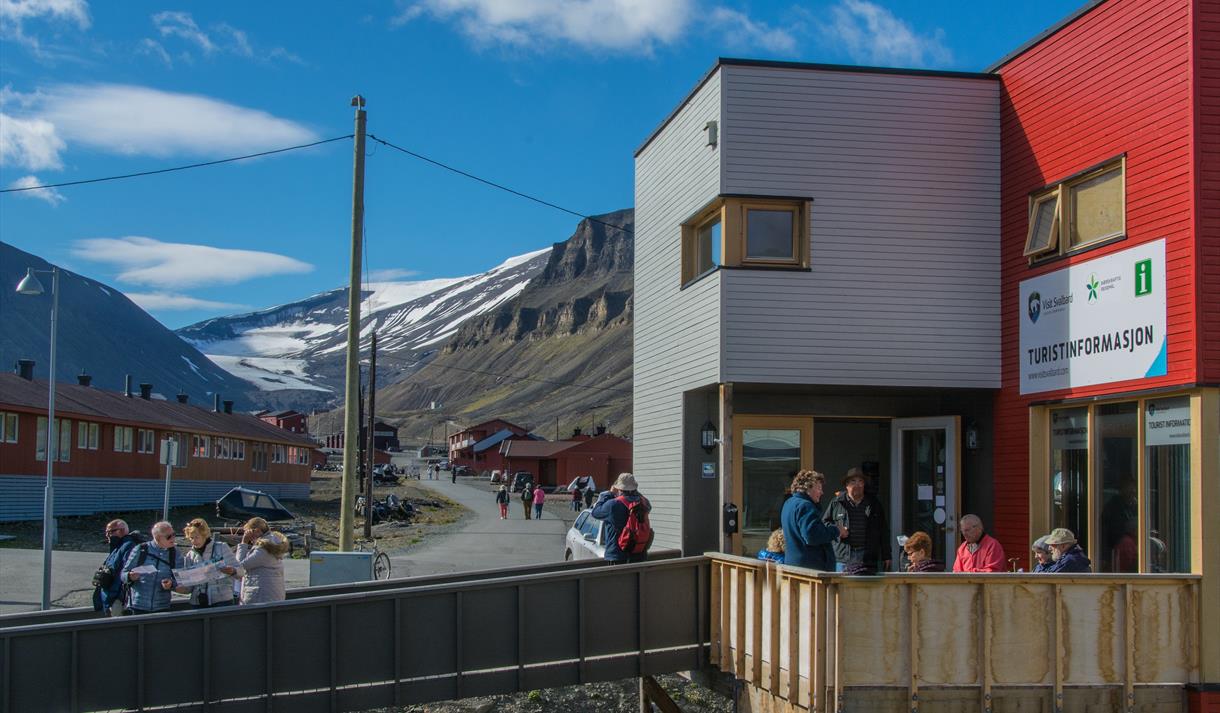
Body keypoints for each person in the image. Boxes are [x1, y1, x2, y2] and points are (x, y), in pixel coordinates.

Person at [822, 467, 890, 572]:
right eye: (853, 481)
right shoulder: (836, 503)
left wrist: (887, 555)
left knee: (867, 588)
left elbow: (883, 530)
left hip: (867, 557)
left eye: (860, 481)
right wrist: (837, 529)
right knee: (841, 588)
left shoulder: (874, 503)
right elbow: (824, 523)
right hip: (843, 557)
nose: (857, 485)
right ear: (847, 485)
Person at [780, 470, 848, 571]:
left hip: (793, 565)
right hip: (810, 570)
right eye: (819, 488)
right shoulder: (805, 505)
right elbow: (812, 536)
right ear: (808, 488)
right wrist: (837, 530)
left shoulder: (789, 503)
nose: (822, 492)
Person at [175, 518, 240, 608]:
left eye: (197, 537)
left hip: (222, 600)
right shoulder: (190, 555)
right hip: (198, 601)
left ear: (205, 535)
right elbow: (189, 587)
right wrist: (174, 587)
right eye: (191, 538)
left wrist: (232, 570)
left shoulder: (222, 547)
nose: (194, 541)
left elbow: (241, 572)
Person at [119, 521, 180, 615]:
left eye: (173, 534)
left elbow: (180, 578)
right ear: (157, 538)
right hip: (138, 605)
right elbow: (123, 574)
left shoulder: (175, 553)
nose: (173, 538)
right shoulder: (141, 549)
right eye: (168, 536)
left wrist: (171, 584)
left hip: (162, 606)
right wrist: (130, 576)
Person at [591, 472, 653, 564]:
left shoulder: (613, 505)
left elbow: (595, 512)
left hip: (617, 555)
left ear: (619, 488)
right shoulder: (645, 502)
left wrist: (609, 493)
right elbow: (640, 499)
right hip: (639, 553)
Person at [235, 517, 287, 605]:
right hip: (270, 596)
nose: (247, 535)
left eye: (248, 532)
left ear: (257, 531)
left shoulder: (263, 549)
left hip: (260, 597)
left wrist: (244, 542)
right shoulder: (272, 543)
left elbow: (239, 565)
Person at [92, 519, 139, 616]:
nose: (107, 535)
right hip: (111, 595)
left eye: (110, 532)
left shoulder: (129, 546)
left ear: (121, 531)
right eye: (106, 532)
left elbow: (122, 573)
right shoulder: (118, 546)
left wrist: (114, 596)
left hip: (118, 597)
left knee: (116, 625)